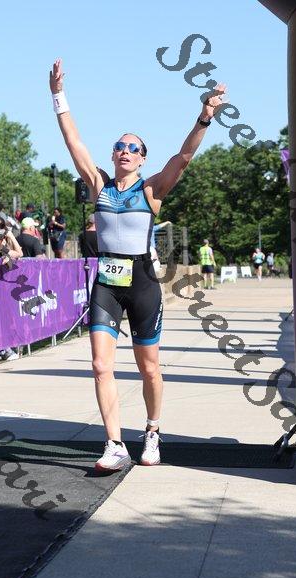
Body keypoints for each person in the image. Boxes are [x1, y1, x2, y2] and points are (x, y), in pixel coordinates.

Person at [50, 59, 226, 471]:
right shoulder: (99, 184)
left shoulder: (151, 190)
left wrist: (205, 116)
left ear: (143, 159)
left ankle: (152, 431)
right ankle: (114, 444)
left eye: (133, 148)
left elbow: (184, 157)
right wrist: (58, 95)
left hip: (143, 282)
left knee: (149, 369)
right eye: (120, 146)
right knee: (100, 366)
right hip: (107, 284)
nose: (125, 151)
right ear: (113, 155)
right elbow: (72, 140)